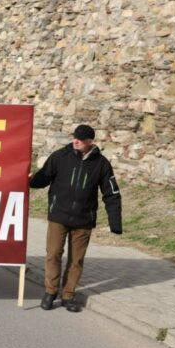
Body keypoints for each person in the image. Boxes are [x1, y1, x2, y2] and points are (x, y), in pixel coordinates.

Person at [30, 124, 123, 313]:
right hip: (58, 216)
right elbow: (44, 178)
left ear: (90, 141)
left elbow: (111, 193)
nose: (75, 141)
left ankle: (68, 296)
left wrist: (115, 222)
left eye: (80, 139)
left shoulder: (102, 164)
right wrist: (30, 180)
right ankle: (50, 292)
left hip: (84, 220)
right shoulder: (59, 156)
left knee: (76, 260)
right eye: (74, 137)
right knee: (53, 254)